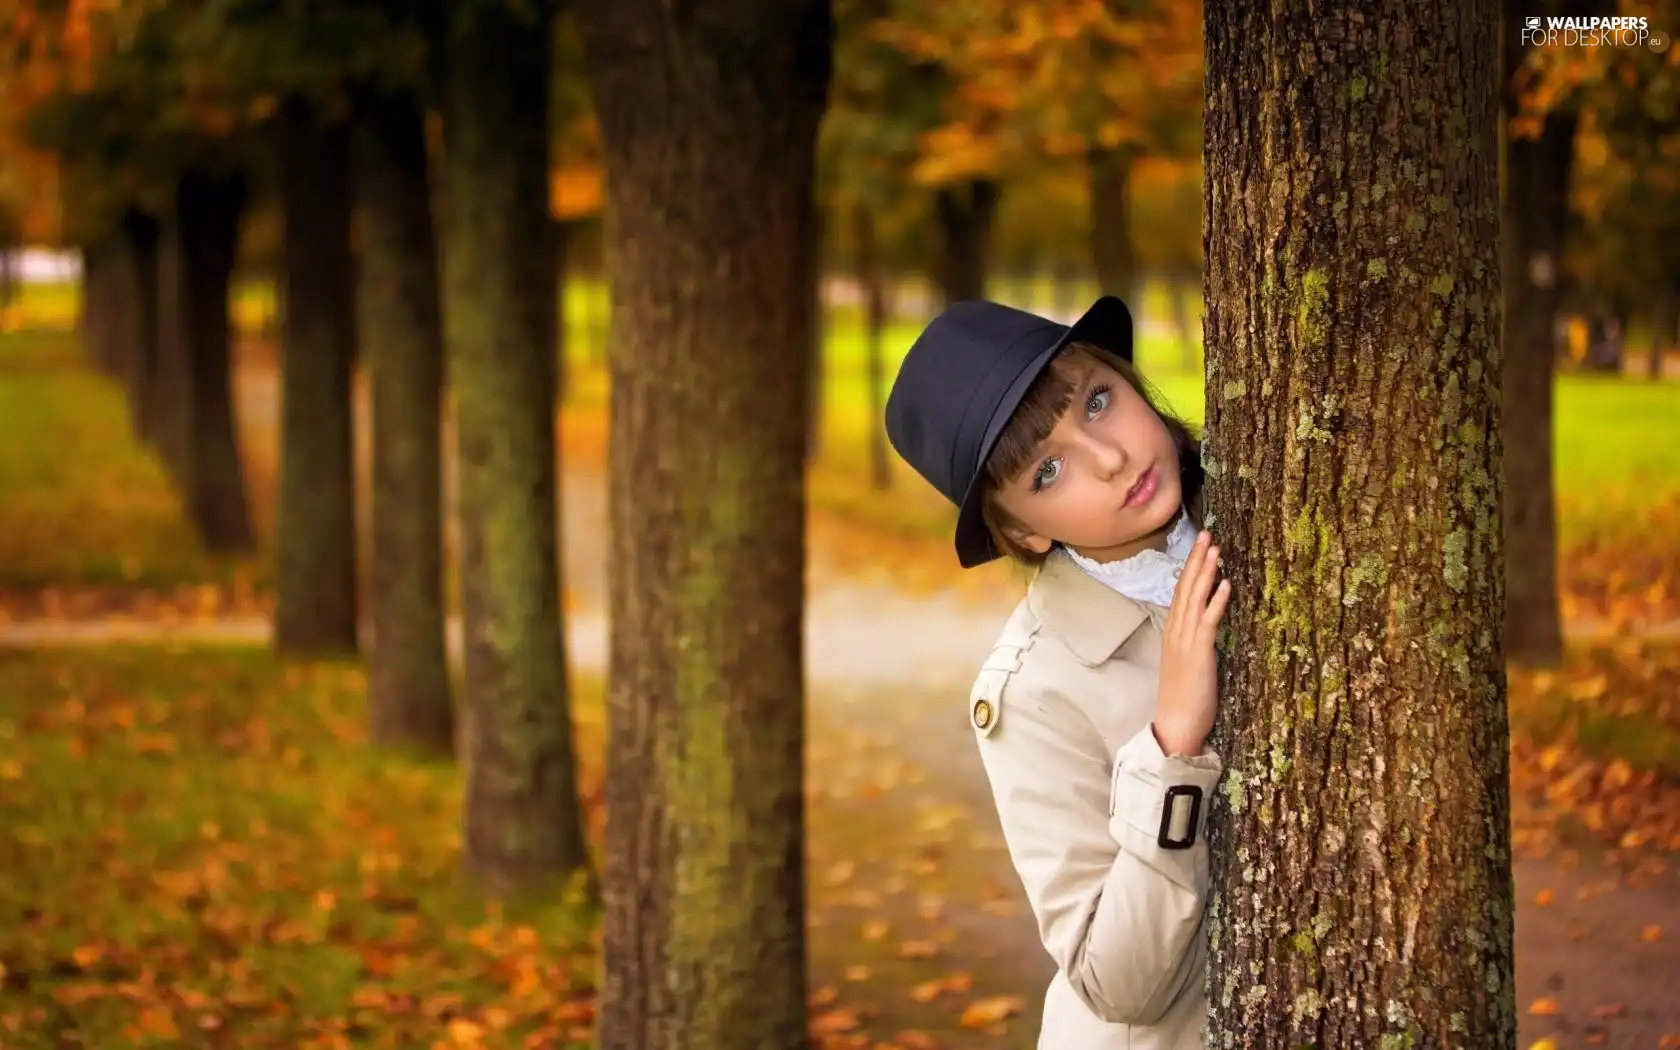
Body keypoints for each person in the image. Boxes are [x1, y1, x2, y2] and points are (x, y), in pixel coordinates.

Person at [883, 296, 1228, 1050]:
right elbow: (1117, 986)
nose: (1110, 459)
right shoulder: (1033, 693)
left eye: (1097, 402)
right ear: (1025, 533)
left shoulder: (1258, 510)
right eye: (1048, 471)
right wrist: (1170, 746)